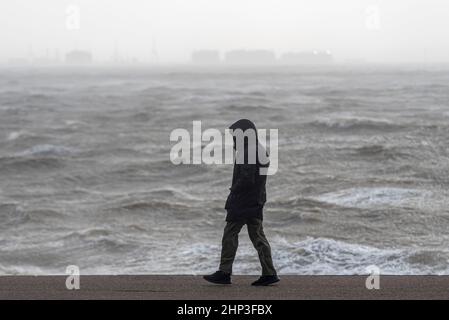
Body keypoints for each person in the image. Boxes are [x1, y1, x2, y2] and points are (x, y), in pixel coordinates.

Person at [203, 119, 279, 286]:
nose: (234, 139)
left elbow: (246, 179)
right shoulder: (258, 149)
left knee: (230, 235)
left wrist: (233, 191)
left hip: (244, 201)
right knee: (258, 236)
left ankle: (224, 272)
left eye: (235, 135)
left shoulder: (249, 151)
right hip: (256, 200)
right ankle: (269, 273)